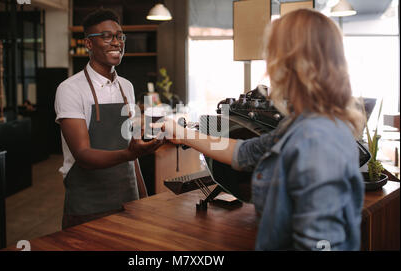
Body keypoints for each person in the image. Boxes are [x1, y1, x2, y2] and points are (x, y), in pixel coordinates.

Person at [160, 9, 365, 250]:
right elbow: (246, 153)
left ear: (290, 64)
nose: (268, 67)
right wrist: (181, 132)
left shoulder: (316, 139)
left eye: (272, 54)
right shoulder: (303, 124)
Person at [55, 8, 163, 229]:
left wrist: (144, 199)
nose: (117, 42)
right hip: (88, 206)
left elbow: (133, 152)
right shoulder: (70, 89)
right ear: (88, 44)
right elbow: (83, 155)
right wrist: (129, 153)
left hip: (128, 201)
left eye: (120, 36)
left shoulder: (127, 87)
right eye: (106, 36)